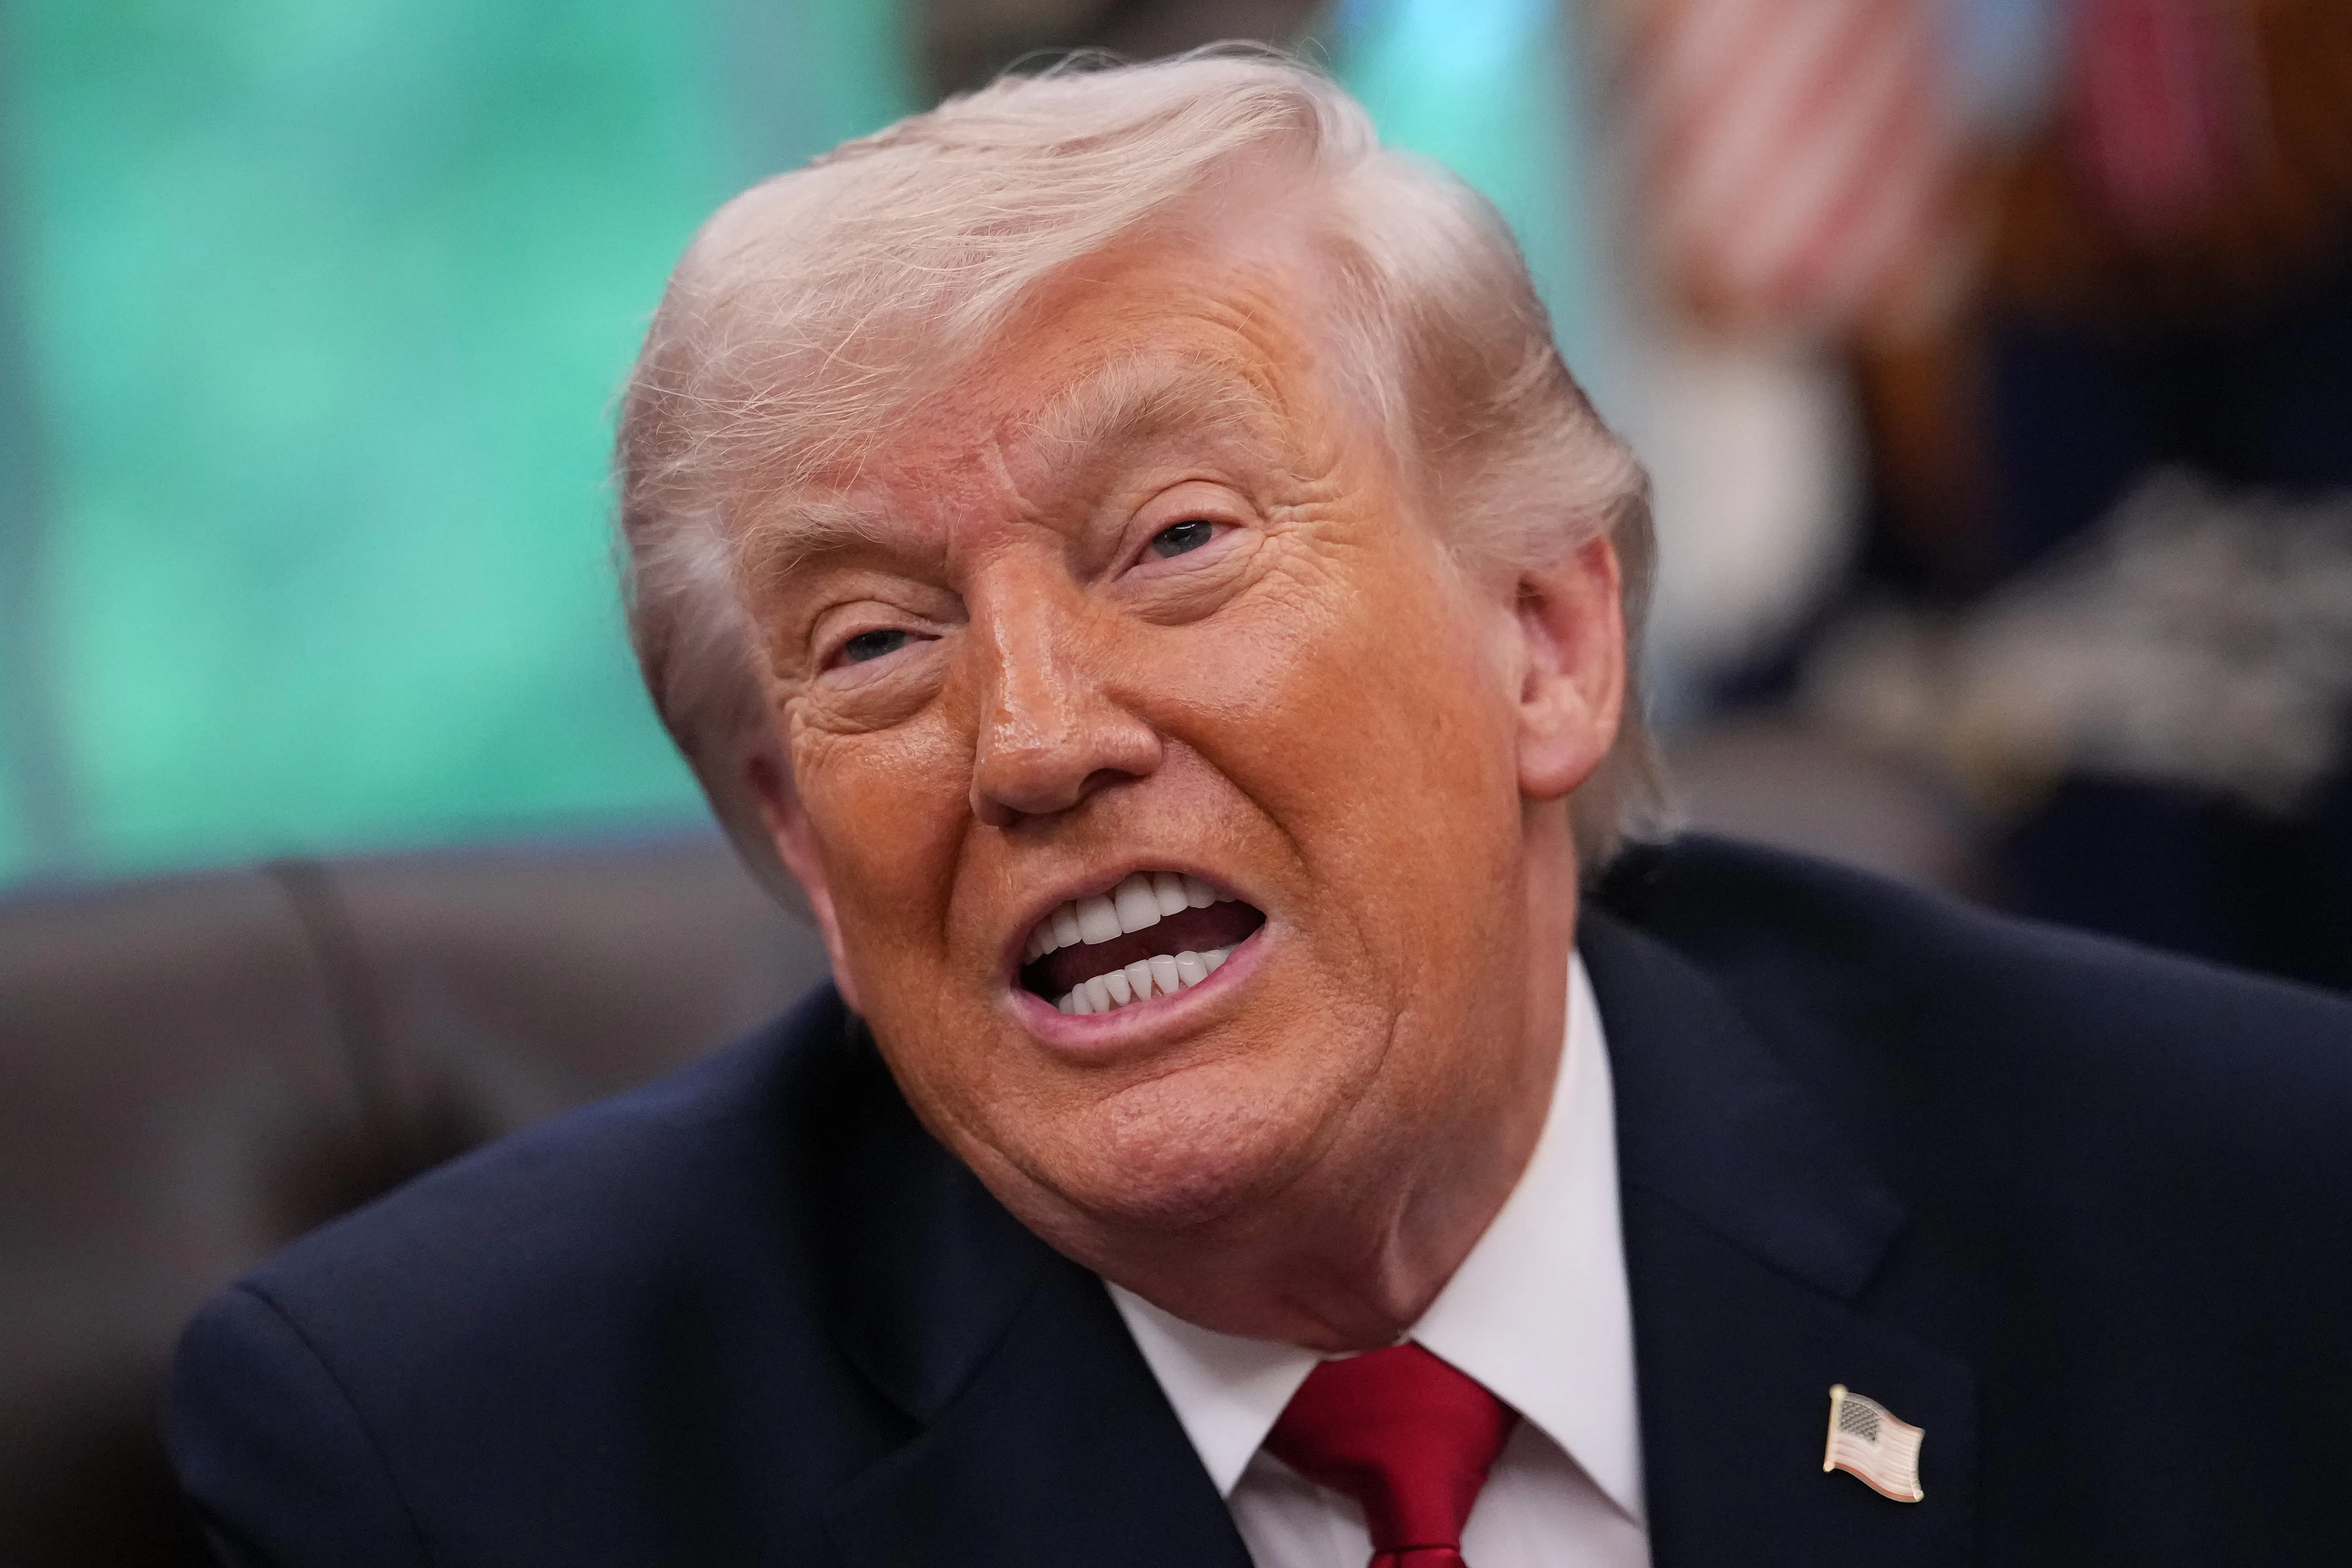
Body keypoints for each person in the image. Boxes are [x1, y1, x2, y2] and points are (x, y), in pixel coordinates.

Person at [165, 50, 2352, 1568]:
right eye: (871, 648)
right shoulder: (454, 1468)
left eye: (1174, 541)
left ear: (1546, 642)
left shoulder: (2247, 1220)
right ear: (804, 848)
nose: (1033, 739)